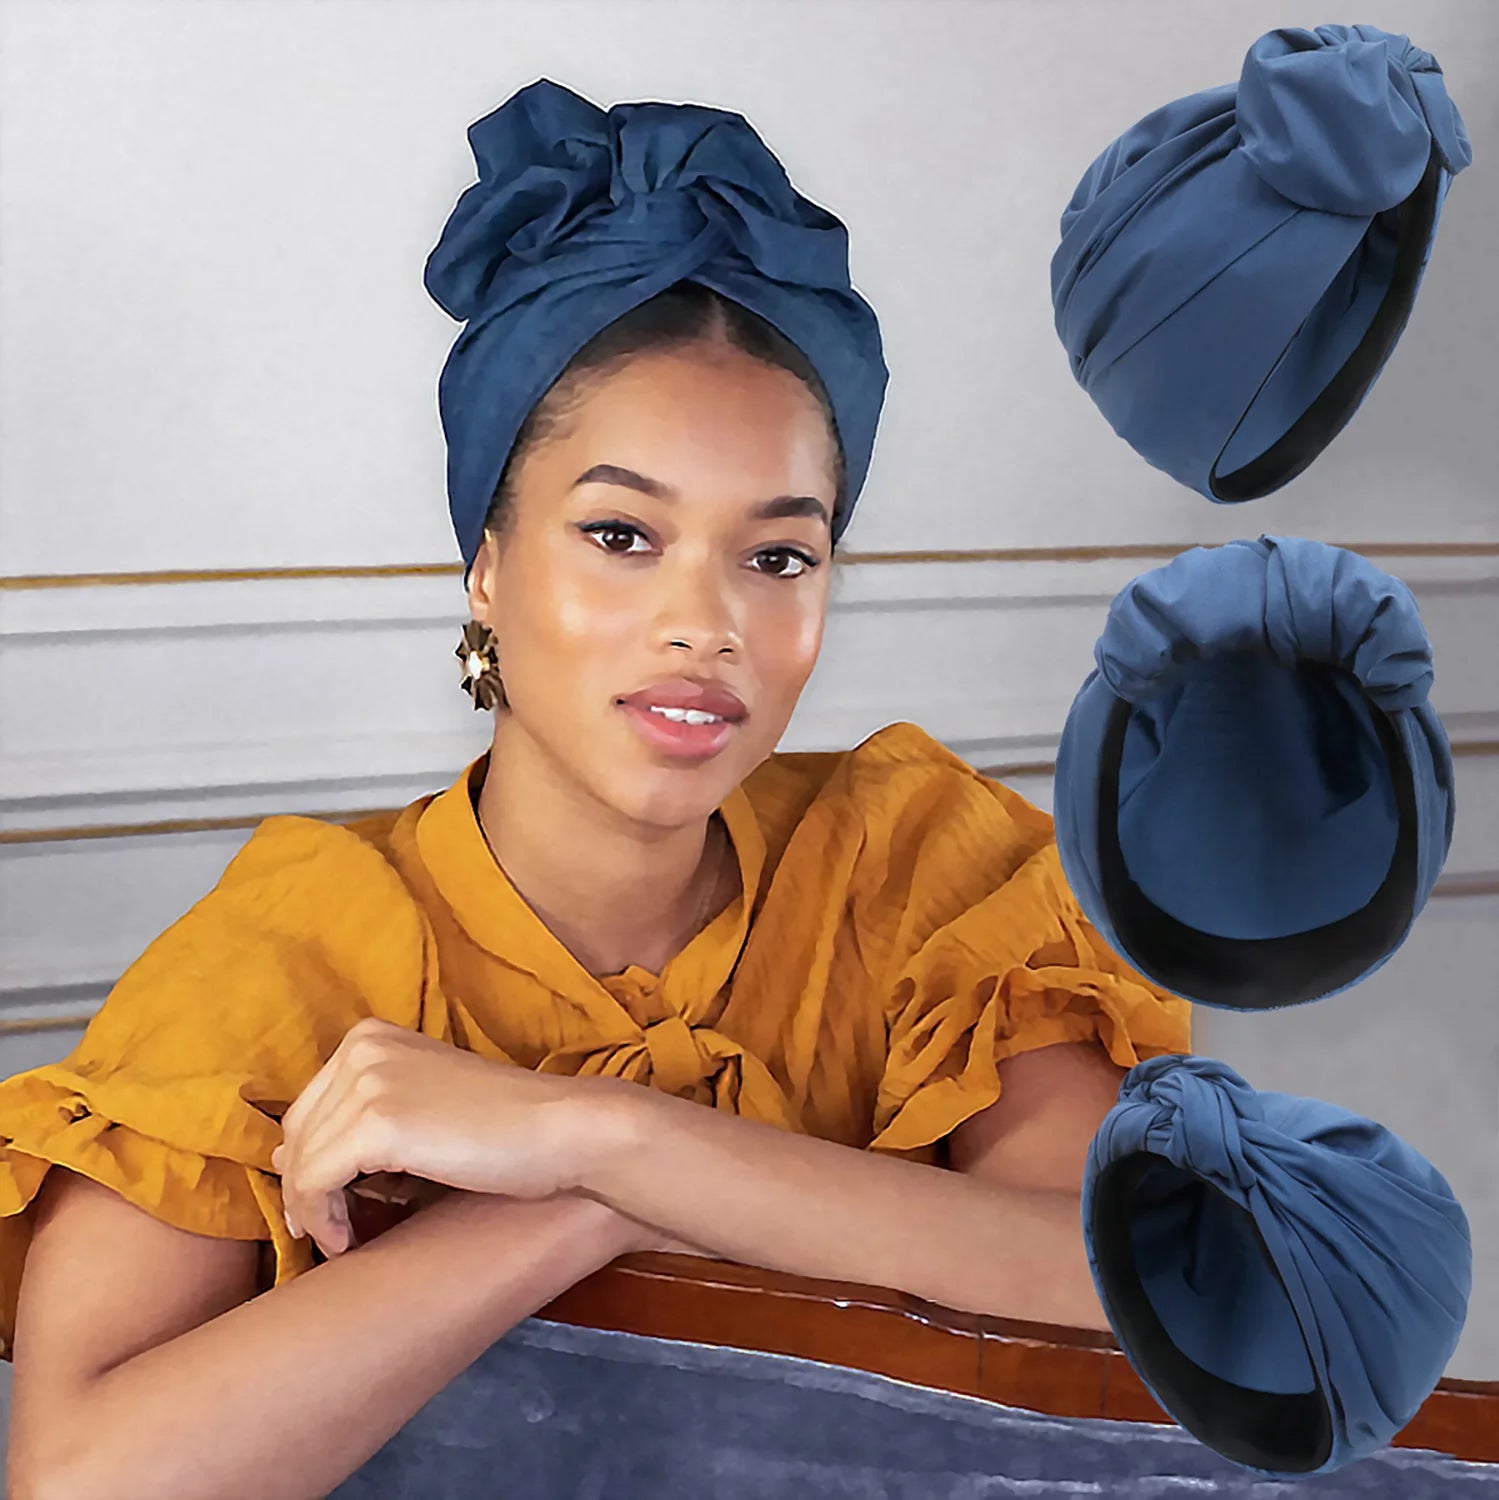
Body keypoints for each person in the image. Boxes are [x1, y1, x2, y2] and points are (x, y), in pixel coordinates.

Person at [1, 82, 1191, 1499]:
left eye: (780, 555)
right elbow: (82, 1480)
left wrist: (604, 1139)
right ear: (489, 568)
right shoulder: (301, 953)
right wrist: (571, 1214)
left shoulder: (921, 864)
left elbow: (1137, 1294)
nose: (710, 625)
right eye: (622, 534)